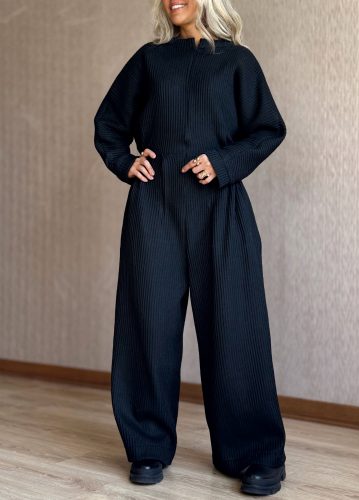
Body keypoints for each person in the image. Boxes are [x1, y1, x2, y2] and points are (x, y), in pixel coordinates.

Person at [93, 0, 287, 496]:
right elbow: (109, 123)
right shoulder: (149, 60)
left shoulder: (237, 61)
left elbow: (268, 128)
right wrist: (124, 162)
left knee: (236, 327)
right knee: (147, 327)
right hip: (154, 210)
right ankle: (147, 447)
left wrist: (223, 163)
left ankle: (255, 454)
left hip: (220, 209)